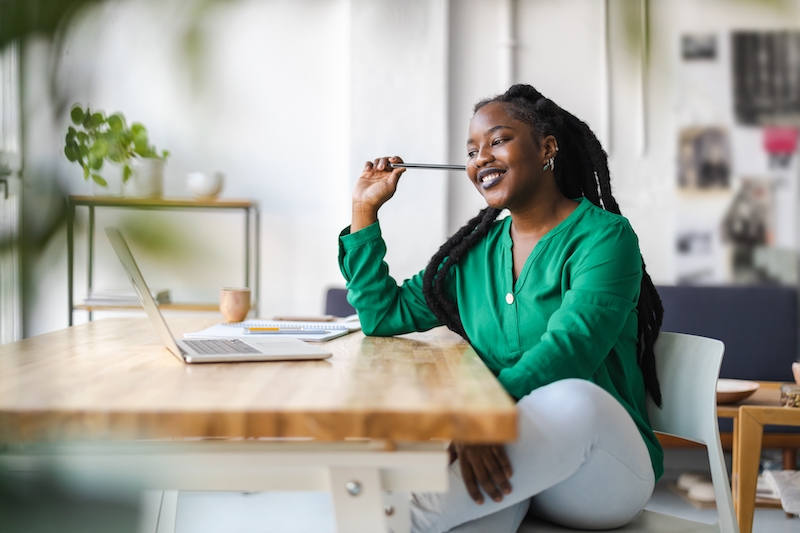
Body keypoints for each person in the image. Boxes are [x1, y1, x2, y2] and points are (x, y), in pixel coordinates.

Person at [338, 84, 664, 533]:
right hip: (513, 457)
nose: (480, 158)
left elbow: (573, 346)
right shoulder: (472, 255)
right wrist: (364, 211)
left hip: (602, 469)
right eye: (471, 150)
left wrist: (484, 412)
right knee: (473, 519)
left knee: (575, 399)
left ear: (547, 148)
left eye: (497, 140)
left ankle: (394, 521)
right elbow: (382, 314)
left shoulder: (605, 238)